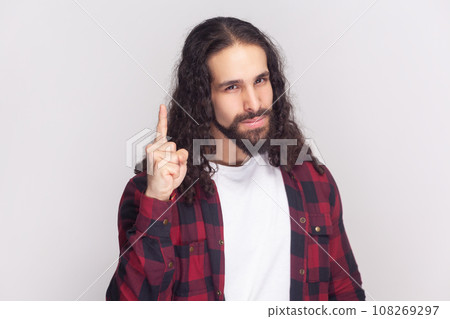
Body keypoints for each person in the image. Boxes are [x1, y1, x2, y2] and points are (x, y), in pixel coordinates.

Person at [106, 16, 365, 301]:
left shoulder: (313, 182)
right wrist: (157, 200)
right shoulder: (155, 193)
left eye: (260, 81)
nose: (254, 103)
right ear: (204, 97)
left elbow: (346, 294)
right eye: (232, 87)